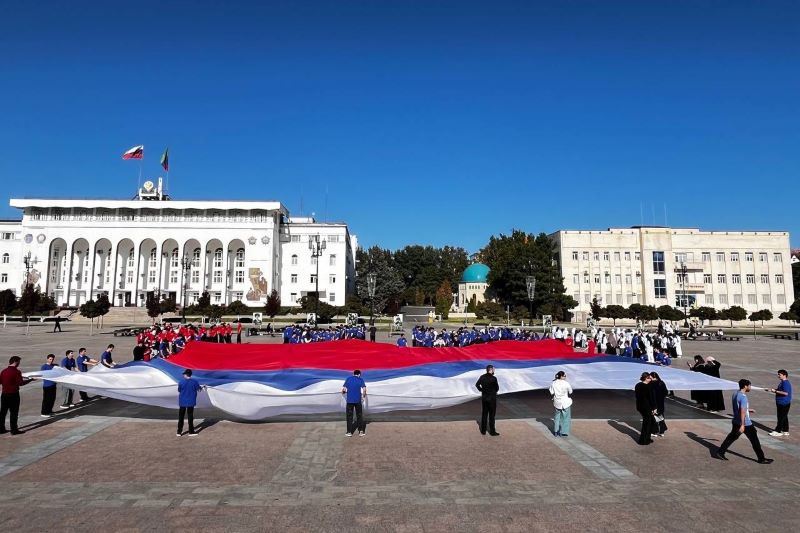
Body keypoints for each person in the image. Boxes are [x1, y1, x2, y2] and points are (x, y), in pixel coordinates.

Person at [714, 379, 773, 464]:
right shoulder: (743, 397)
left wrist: (748, 410)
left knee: (731, 437)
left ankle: (720, 452)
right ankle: (761, 459)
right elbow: (742, 410)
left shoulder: (735, 394)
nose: (750, 387)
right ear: (745, 386)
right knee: (754, 440)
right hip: (745, 423)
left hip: (736, 421)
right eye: (749, 386)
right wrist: (743, 425)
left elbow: (739, 407)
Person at [1, 356, 35, 435]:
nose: (19, 364)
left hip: (4, 394)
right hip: (13, 395)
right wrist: (30, 380)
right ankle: (14, 430)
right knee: (14, 413)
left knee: (3, 412)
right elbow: (21, 383)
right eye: (19, 362)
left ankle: (1, 429)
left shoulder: (4, 371)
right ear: (15, 362)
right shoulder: (16, 372)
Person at [177, 369, 204, 436]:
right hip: (191, 402)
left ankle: (179, 432)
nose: (183, 375)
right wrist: (203, 387)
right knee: (190, 417)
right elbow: (199, 389)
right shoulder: (195, 382)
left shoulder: (181, 382)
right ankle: (191, 432)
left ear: (186, 374)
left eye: (184, 374)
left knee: (181, 417)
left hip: (182, 402)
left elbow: (179, 390)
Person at [475, 365, 500, 436]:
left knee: (484, 414)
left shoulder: (482, 377)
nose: (494, 371)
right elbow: (497, 388)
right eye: (493, 369)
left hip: (484, 398)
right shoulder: (494, 378)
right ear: (491, 370)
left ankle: (483, 431)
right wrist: (493, 391)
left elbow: (477, 385)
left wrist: (482, 390)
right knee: (492, 416)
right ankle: (492, 431)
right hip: (492, 399)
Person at [341, 369, 367, 437]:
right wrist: (363, 396)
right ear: (359, 374)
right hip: (358, 401)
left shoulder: (348, 379)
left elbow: (343, 389)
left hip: (349, 401)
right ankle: (361, 431)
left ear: (353, 374)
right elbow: (364, 389)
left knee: (349, 416)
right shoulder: (360, 379)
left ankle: (349, 432)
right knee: (359, 415)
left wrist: (343, 392)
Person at [768, 370, 792, 437]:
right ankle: (785, 430)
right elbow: (781, 390)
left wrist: (775, 391)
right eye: (778, 374)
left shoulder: (785, 383)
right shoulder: (782, 382)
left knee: (780, 417)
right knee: (784, 417)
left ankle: (778, 431)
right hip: (781, 402)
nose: (778, 376)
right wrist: (773, 390)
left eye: (779, 374)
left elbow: (785, 393)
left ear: (784, 375)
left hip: (784, 403)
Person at [635, 372, 656, 445]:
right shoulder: (648, 387)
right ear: (646, 378)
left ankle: (647, 438)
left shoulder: (638, 385)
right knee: (647, 424)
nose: (651, 379)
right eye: (650, 378)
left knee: (647, 422)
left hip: (640, 406)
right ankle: (644, 440)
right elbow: (651, 398)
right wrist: (654, 408)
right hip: (647, 407)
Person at [549, 371, 573, 437]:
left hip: (557, 402)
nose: (565, 377)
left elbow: (551, 392)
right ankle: (563, 431)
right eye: (565, 376)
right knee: (565, 417)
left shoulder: (553, 383)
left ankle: (556, 431)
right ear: (561, 376)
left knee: (557, 417)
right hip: (565, 402)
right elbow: (570, 392)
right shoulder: (566, 383)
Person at [650, 372, 669, 437]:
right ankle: (662, 431)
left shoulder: (651, 384)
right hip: (660, 403)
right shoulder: (661, 382)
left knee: (653, 417)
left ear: (653, 377)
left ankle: (654, 431)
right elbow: (666, 392)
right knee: (661, 417)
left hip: (653, 403)